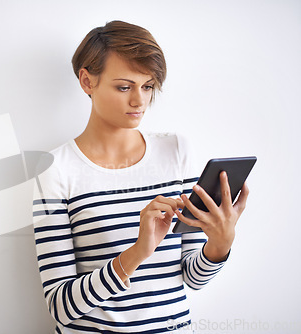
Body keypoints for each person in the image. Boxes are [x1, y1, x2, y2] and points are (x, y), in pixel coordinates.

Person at [32, 20, 249, 333]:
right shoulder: (54, 169)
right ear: (86, 81)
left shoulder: (176, 150)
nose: (139, 101)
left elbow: (192, 278)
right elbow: (60, 308)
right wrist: (137, 253)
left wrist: (220, 242)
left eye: (147, 86)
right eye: (124, 87)